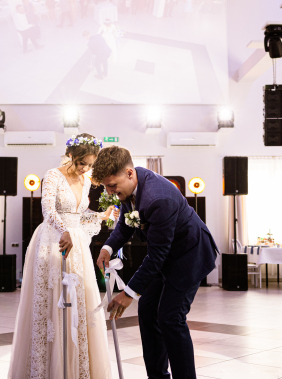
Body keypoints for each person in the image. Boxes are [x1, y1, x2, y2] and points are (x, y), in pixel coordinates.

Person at [93, 146, 219, 379]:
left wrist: (128, 292)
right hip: (167, 254)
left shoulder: (158, 197)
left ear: (129, 173)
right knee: (148, 310)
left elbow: (157, 254)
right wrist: (108, 248)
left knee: (171, 317)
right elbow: (127, 222)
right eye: (106, 187)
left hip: (189, 255)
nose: (110, 192)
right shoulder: (132, 183)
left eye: (112, 185)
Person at [8, 133, 114, 379]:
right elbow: (48, 210)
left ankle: (76, 366)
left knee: (79, 300)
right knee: (55, 300)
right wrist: (64, 230)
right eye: (82, 163)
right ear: (70, 155)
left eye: (89, 164)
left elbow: (78, 214)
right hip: (53, 241)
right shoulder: (53, 175)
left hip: (76, 242)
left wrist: (101, 215)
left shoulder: (86, 180)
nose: (85, 168)